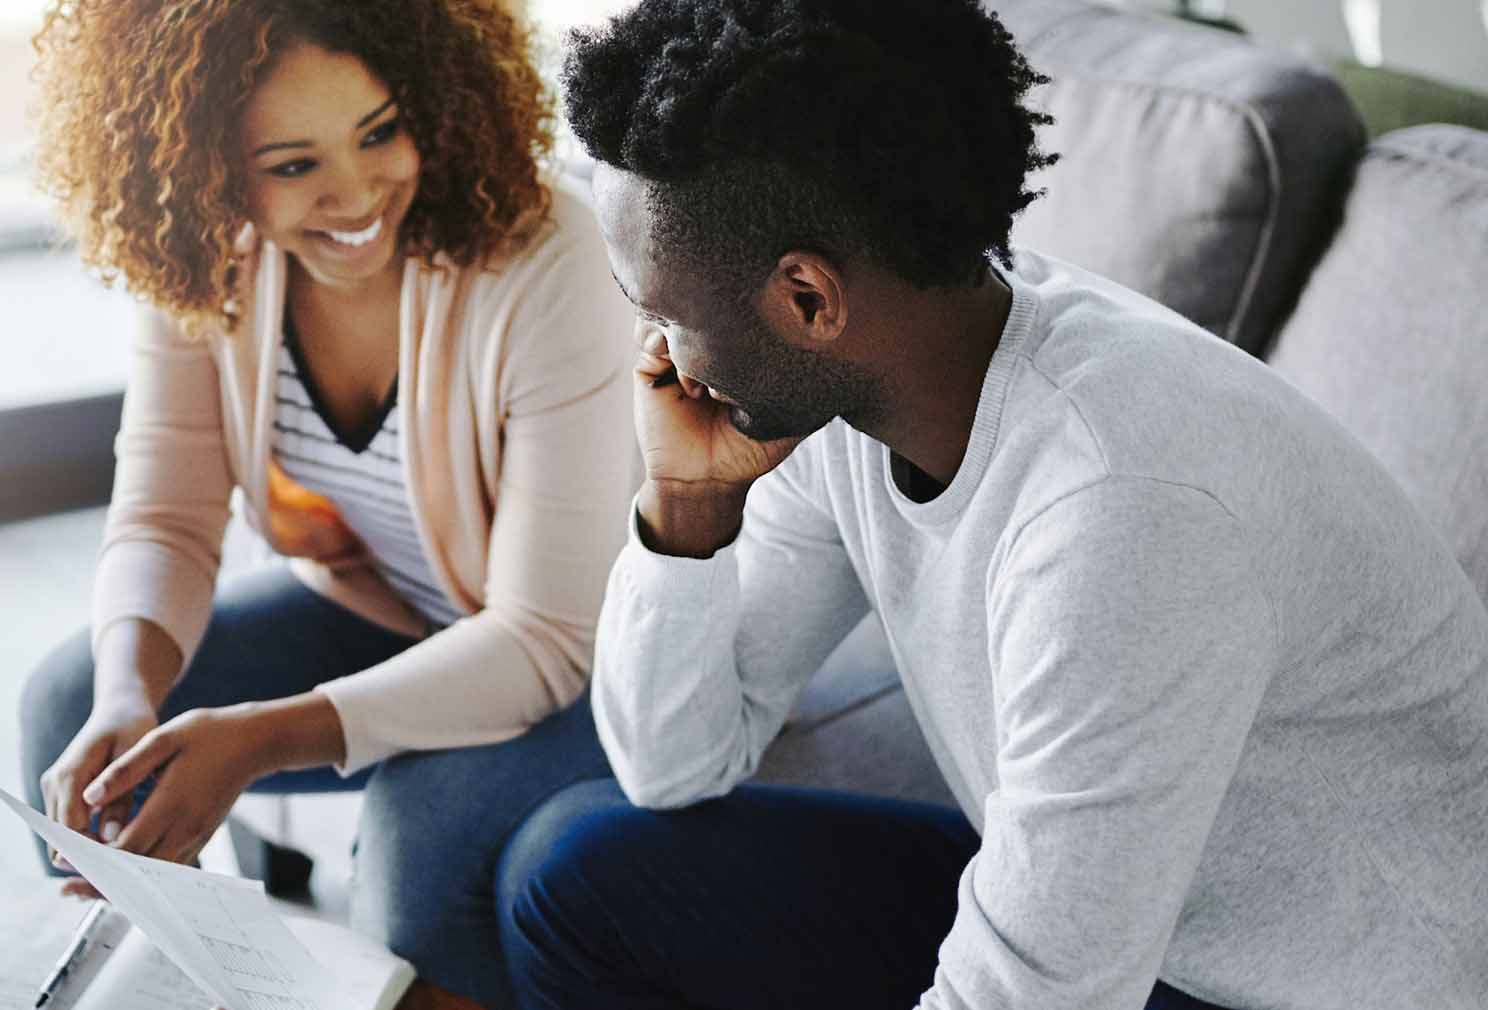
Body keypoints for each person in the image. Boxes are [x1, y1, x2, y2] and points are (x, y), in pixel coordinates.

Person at [493, 1, 1488, 1008]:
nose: (654, 355)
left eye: (661, 310)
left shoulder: (1123, 512)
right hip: (1140, 931)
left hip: (1309, 987)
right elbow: (675, 763)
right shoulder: (856, 384)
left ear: (807, 301)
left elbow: (1034, 995)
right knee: (577, 872)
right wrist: (686, 502)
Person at [14, 2, 635, 1005]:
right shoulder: (205, 255)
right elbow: (166, 517)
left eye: (381, 131)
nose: (356, 194)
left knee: (419, 820)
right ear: (208, 173)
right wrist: (130, 690)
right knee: (69, 703)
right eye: (294, 164)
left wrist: (259, 734)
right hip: (404, 608)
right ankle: (151, 987)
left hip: (600, 663)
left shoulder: (551, 259)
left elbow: (545, 637)